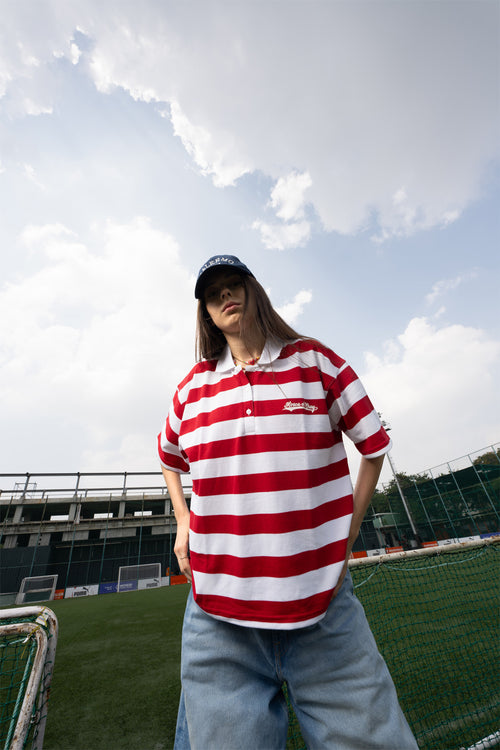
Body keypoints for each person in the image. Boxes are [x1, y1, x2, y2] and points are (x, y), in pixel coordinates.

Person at [158, 255, 417, 750]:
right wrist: (182, 520)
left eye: (234, 286)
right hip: (218, 615)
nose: (225, 297)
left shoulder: (316, 361)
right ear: (207, 314)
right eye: (214, 295)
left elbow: (374, 445)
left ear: (255, 291)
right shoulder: (192, 388)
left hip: (323, 610)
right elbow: (168, 457)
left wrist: (349, 534)